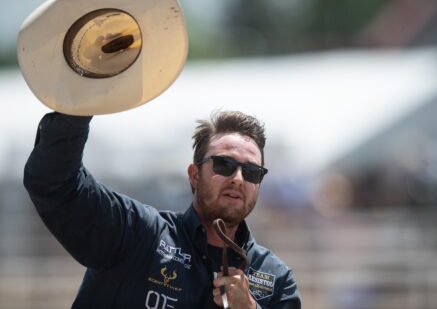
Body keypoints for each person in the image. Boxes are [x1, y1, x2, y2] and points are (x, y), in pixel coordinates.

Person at [24, 110, 301, 309]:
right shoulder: (139, 233)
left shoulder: (276, 278)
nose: (238, 178)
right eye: (223, 165)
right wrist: (78, 106)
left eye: (251, 172)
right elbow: (54, 183)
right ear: (194, 175)